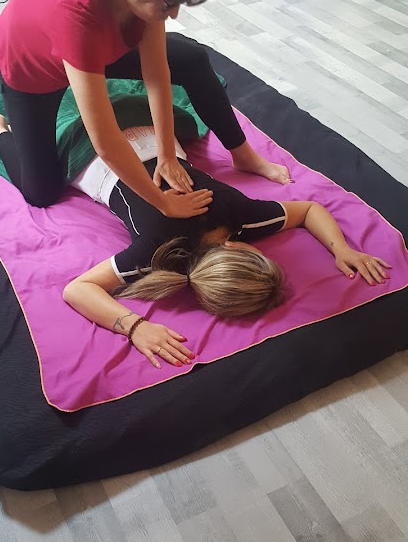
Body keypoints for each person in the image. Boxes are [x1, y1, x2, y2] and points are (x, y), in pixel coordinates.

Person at [0, 0, 289, 214]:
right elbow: (104, 140)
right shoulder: (77, 11)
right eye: (168, 3)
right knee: (42, 191)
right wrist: (162, 203)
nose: (173, 14)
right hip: (29, 67)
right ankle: (0, 129)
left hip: (90, 40)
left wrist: (167, 155)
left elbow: (157, 74)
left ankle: (242, 153)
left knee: (192, 59)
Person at [63, 124, 391, 367]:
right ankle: (4, 129)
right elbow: (78, 289)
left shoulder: (237, 217)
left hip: (136, 140)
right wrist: (136, 327)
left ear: (235, 250)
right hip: (97, 156)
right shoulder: (157, 255)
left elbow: (308, 210)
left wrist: (342, 250)